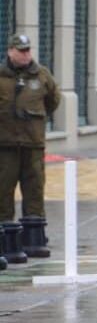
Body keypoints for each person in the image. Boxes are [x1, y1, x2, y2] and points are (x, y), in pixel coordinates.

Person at [1, 33, 61, 262]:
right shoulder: (2, 76)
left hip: (33, 144)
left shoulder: (41, 75)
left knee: (34, 190)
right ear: (10, 51)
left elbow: (53, 101)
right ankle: (5, 237)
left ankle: (34, 236)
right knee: (3, 191)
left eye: (28, 50)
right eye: (21, 50)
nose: (26, 54)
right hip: (5, 145)